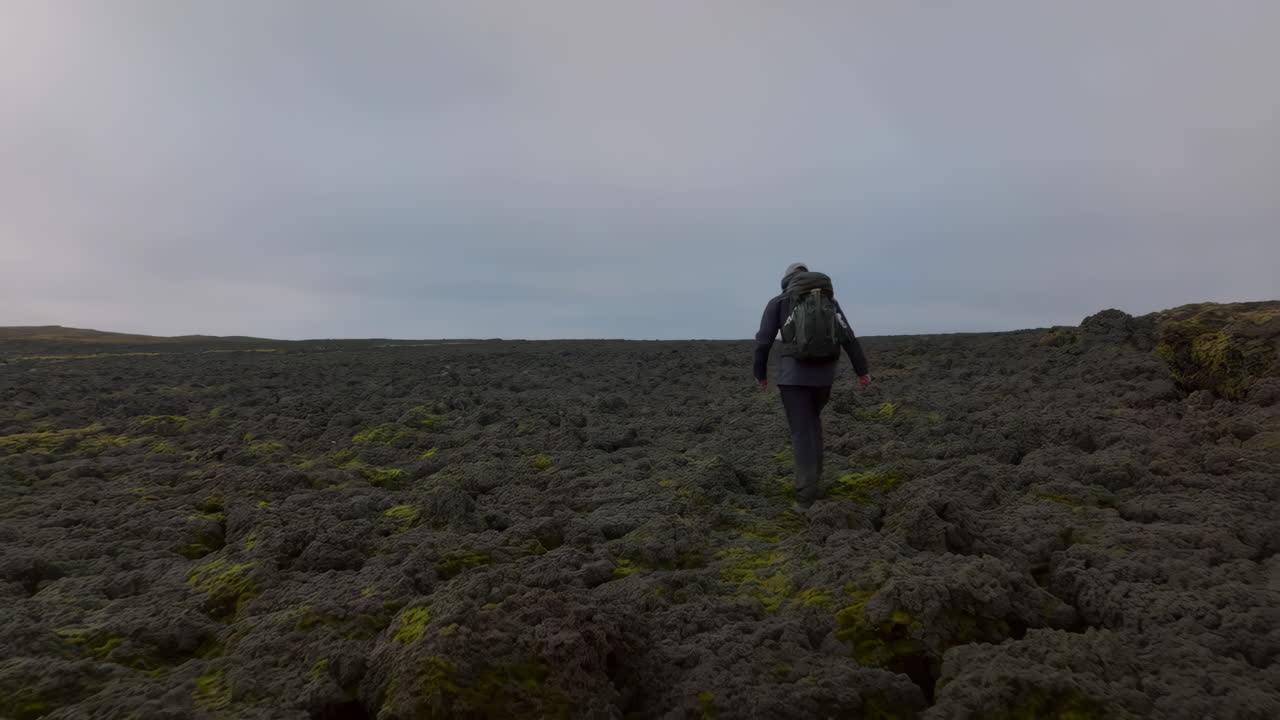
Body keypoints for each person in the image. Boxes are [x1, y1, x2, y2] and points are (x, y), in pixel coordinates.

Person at [754, 263, 871, 510]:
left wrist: (760, 374)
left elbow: (763, 342)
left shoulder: (778, 302)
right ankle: (815, 482)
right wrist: (862, 371)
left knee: (802, 432)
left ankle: (805, 499)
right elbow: (848, 336)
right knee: (813, 424)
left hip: (793, 379)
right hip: (824, 377)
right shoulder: (829, 301)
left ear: (786, 281)